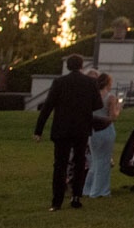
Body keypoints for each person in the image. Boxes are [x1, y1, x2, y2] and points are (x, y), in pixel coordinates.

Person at [33, 53, 103, 211]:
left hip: (62, 127)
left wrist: (39, 130)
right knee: (79, 163)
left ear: (67, 66)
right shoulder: (90, 82)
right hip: (81, 128)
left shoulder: (59, 82)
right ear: (81, 65)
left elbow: (48, 106)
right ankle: (76, 196)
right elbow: (97, 104)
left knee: (60, 164)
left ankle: (56, 201)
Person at [83, 72, 121, 199]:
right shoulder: (110, 97)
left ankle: (88, 188)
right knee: (104, 161)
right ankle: (100, 190)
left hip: (93, 130)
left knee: (95, 161)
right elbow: (113, 117)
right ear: (108, 83)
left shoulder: (91, 96)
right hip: (106, 129)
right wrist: (119, 108)